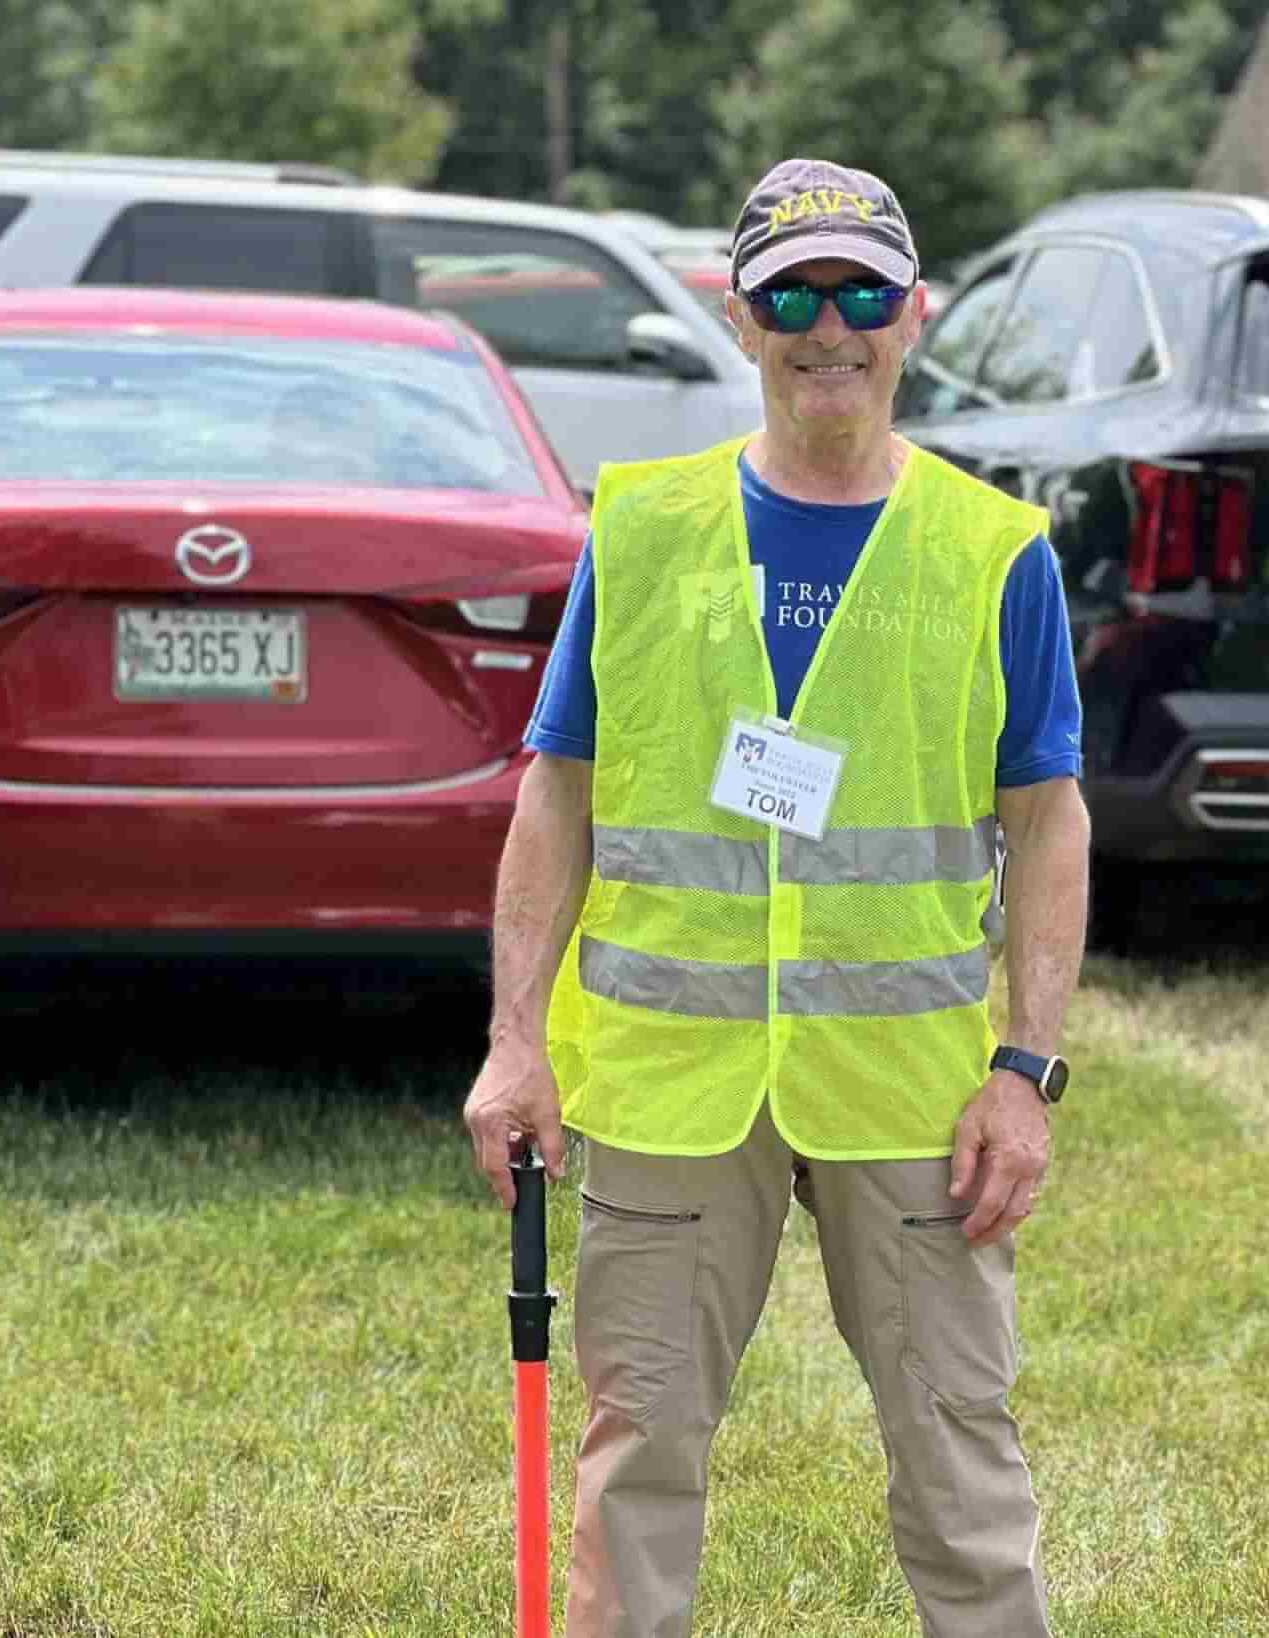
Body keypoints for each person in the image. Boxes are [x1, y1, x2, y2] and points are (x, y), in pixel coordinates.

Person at [463, 155, 1090, 1638]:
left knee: (962, 1465)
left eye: (862, 291)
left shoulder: (996, 554)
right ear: (735, 319)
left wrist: (1028, 1066)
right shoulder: (643, 528)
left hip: (912, 1095)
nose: (830, 325)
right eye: (791, 295)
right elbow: (559, 783)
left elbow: (1047, 815)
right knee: (641, 1460)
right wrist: (515, 1033)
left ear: (915, 314)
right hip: (672, 1088)